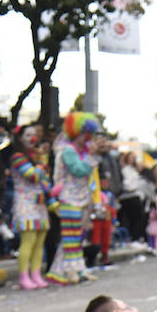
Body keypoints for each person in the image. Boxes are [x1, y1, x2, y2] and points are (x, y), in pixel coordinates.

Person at [46, 112, 103, 285]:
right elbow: (79, 170)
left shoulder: (81, 151)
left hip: (81, 198)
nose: (88, 137)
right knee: (70, 236)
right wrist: (92, 156)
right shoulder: (68, 151)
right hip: (68, 198)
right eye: (86, 133)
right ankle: (70, 270)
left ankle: (77, 268)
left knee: (78, 236)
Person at [4, 124, 52, 290]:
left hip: (39, 203)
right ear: (20, 138)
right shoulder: (18, 157)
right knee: (28, 240)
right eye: (27, 135)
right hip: (25, 202)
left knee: (39, 241)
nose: (32, 138)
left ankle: (36, 274)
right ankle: (24, 276)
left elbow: (44, 180)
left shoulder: (36, 156)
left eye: (34, 134)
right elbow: (32, 175)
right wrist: (41, 164)